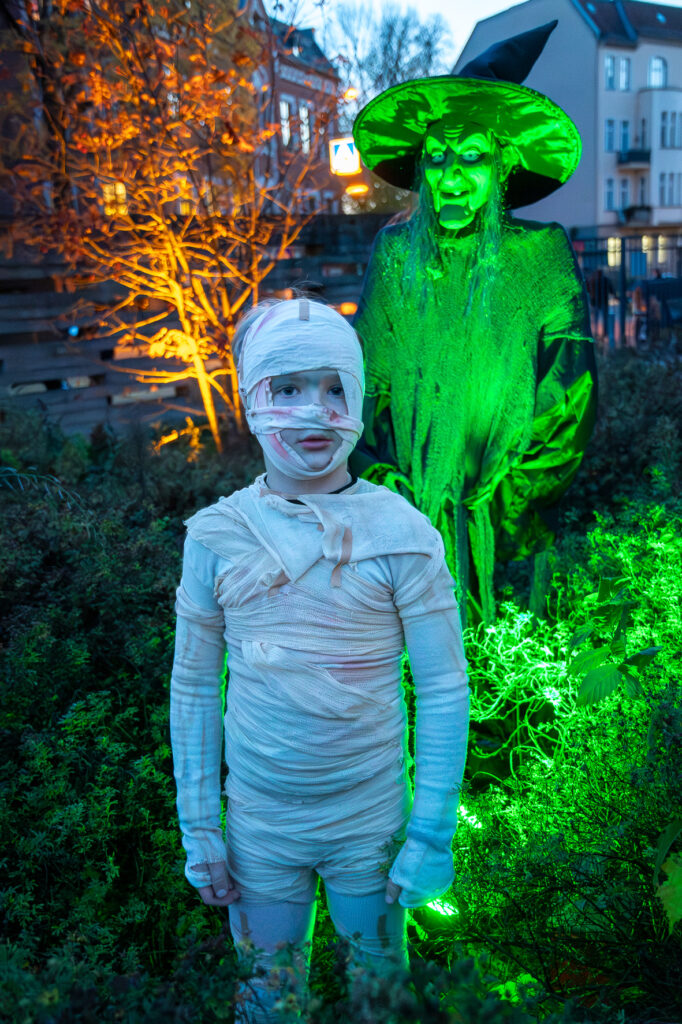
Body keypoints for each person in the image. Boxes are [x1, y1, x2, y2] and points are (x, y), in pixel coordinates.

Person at [169, 298, 470, 1023]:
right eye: (290, 388)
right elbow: (194, 687)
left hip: (370, 816)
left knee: (380, 995)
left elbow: (443, 687)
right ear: (252, 400)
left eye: (335, 388)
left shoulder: (403, 535)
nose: (315, 412)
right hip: (260, 823)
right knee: (267, 998)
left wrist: (431, 833)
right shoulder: (219, 537)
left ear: (359, 398)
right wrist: (200, 827)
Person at [350, 21, 597, 625]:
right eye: (437, 158)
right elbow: (362, 385)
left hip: (506, 522)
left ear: (501, 165)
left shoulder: (539, 254)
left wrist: (505, 505)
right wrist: (385, 487)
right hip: (410, 524)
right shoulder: (396, 255)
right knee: (415, 664)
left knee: (511, 663)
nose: (452, 176)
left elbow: (570, 396)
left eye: (471, 156)